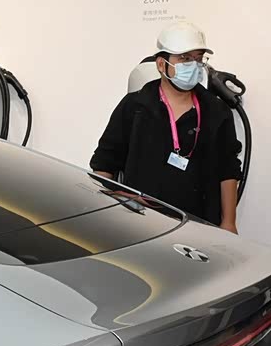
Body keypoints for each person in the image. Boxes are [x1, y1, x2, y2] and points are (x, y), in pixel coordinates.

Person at [91, 21, 242, 232]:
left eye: (198, 59)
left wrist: (229, 223)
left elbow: (228, 170)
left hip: (198, 228)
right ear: (161, 65)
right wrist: (99, 214)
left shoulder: (216, 110)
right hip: (137, 223)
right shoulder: (134, 106)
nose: (194, 65)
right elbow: (105, 162)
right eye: (185, 58)